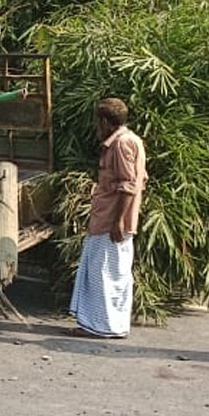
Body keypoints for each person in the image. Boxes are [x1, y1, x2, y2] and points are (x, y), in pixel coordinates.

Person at [69, 98, 148, 339]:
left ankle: (102, 326)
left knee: (103, 274)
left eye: (98, 122)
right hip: (112, 218)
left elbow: (128, 185)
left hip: (111, 222)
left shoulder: (121, 145)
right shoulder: (132, 140)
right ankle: (106, 323)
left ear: (105, 122)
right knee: (113, 273)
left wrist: (117, 221)